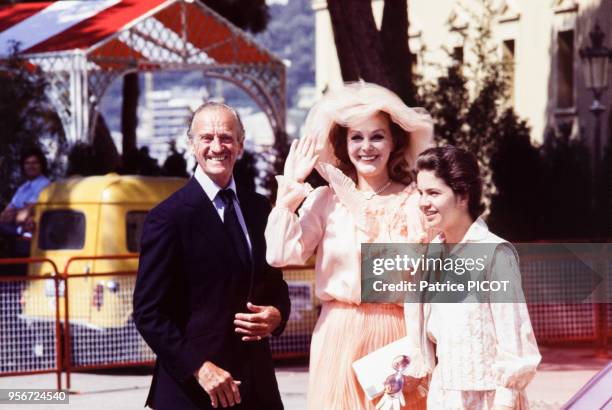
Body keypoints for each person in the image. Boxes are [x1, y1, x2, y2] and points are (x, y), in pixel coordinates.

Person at [265, 82, 434, 410]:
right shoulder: (326, 201)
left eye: (377, 136)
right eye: (356, 137)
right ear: (343, 144)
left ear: (394, 141)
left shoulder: (416, 202)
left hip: (399, 336)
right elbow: (279, 254)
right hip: (338, 335)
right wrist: (291, 189)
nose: (367, 147)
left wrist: (424, 351)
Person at [133, 102, 291, 410]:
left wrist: (278, 315)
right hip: (194, 392)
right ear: (191, 145)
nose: (217, 147)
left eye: (226, 138)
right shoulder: (168, 218)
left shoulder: (259, 209)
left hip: (256, 389)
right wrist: (199, 368)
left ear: (241, 145)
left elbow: (274, 283)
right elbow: (148, 312)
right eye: (207, 138)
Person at [408, 145, 541, 409]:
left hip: (489, 400)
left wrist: (503, 402)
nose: (423, 202)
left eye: (433, 192)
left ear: (463, 195)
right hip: (444, 397)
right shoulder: (430, 257)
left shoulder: (495, 254)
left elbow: (515, 344)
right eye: (420, 192)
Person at [0, 147, 50, 238]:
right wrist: (18, 212)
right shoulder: (22, 188)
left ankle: (21, 231)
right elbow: (4, 215)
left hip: (34, 237)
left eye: (35, 163)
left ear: (41, 165)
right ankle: (20, 231)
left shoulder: (45, 185)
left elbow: (22, 217)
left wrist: (15, 213)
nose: (31, 166)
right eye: (27, 163)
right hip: (13, 234)